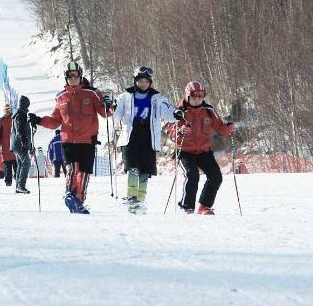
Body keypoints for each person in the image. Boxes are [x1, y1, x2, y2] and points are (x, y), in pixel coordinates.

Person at [29, 61, 114, 214]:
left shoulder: (92, 93)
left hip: (88, 140)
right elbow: (55, 121)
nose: (73, 78)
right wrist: (39, 120)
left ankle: (79, 201)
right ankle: (70, 194)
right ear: (66, 78)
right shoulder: (61, 97)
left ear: (80, 76)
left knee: (84, 173)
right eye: (70, 76)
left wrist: (109, 105)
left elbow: (105, 112)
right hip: (68, 140)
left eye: (76, 75)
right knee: (73, 168)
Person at [112, 66, 176, 214]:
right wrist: (110, 107)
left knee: (145, 171)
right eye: (140, 81)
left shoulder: (157, 98)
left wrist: (177, 114)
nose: (143, 84)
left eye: (146, 81)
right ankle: (131, 197)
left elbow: (168, 113)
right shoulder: (125, 96)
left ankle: (140, 199)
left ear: (150, 82)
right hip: (131, 135)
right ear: (135, 81)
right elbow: (116, 115)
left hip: (149, 135)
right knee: (132, 167)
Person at [169, 81, 236, 215]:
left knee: (216, 177)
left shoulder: (209, 111)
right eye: (194, 97)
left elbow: (220, 128)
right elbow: (171, 132)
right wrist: (180, 131)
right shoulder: (180, 112)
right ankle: (187, 206)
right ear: (188, 96)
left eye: (200, 96)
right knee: (192, 175)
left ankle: (204, 206)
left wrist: (228, 129)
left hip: (204, 151)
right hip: (185, 152)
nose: (197, 99)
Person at [11, 96, 34, 194]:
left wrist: (30, 145)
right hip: (20, 144)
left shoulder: (19, 114)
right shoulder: (21, 115)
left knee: (20, 164)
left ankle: (18, 186)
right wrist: (24, 143)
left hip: (16, 144)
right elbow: (21, 130)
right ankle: (21, 185)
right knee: (26, 163)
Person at [0, 103, 16, 186]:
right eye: (6, 110)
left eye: (9, 109)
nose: (8, 111)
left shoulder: (14, 118)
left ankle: (18, 179)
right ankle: (8, 181)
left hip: (14, 144)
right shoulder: (2, 120)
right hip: (5, 146)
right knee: (7, 164)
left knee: (16, 163)